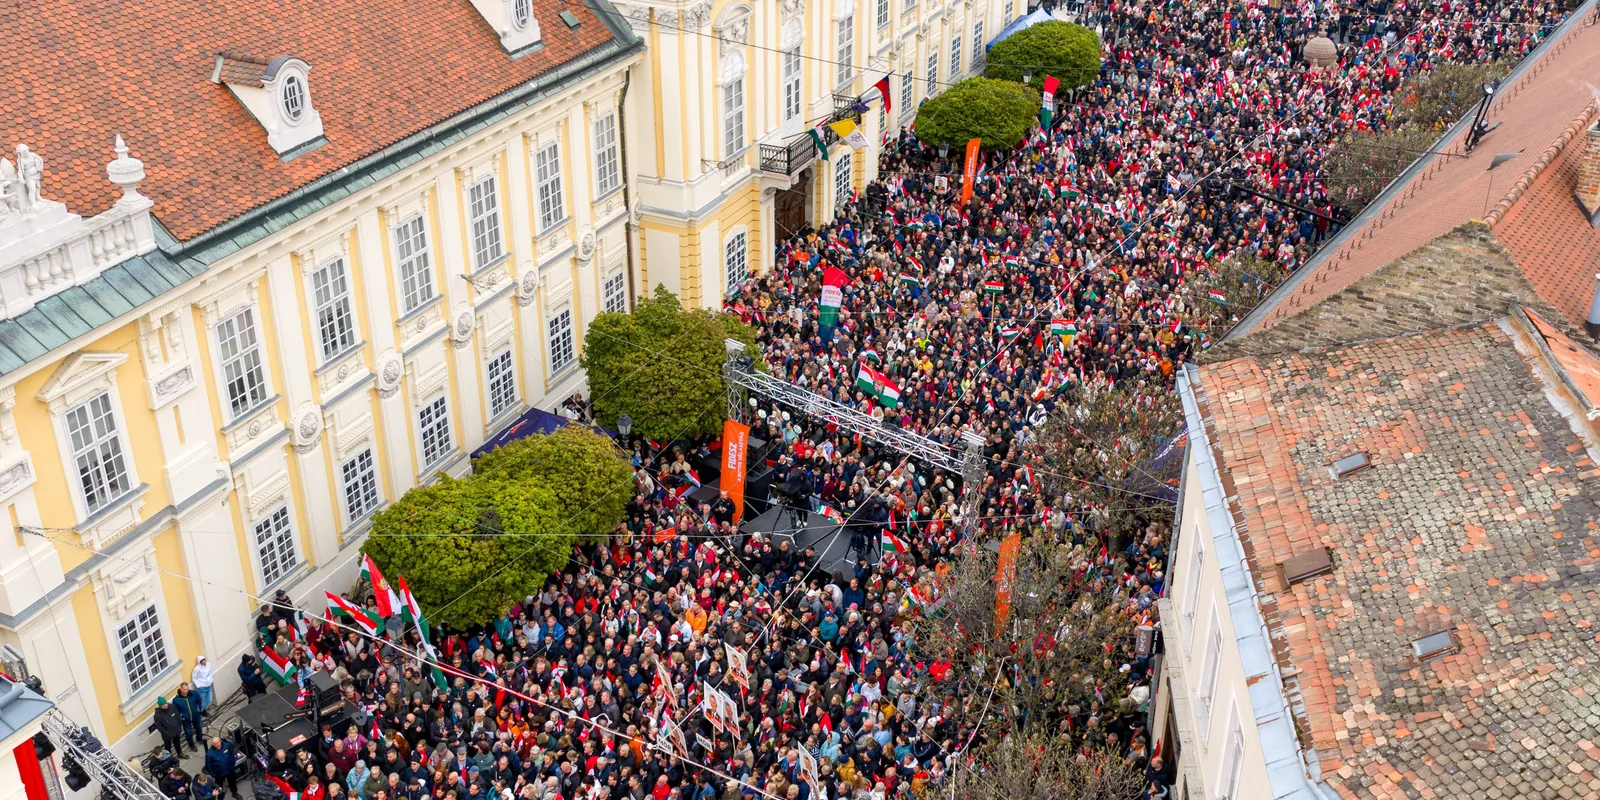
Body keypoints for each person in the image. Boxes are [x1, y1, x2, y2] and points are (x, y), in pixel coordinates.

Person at [172, 682, 204, 751]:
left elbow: (199, 701)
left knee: (199, 728)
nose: (186, 691)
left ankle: (199, 739)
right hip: (185, 719)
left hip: (196, 715)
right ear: (180, 689)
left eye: (187, 689)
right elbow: (176, 711)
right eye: (184, 689)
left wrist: (198, 710)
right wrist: (181, 717)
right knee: (188, 733)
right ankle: (191, 745)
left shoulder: (194, 694)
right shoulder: (176, 700)